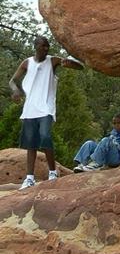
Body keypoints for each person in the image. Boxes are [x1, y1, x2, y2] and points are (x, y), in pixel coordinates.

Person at [8, 35, 84, 190]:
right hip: (30, 109)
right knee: (31, 143)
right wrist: (15, 90)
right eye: (42, 45)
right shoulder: (27, 63)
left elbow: (79, 67)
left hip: (46, 107)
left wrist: (70, 64)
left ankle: (52, 172)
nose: (46, 48)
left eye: (47, 46)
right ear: (35, 46)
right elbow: (12, 80)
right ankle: (29, 178)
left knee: (45, 136)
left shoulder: (52, 60)